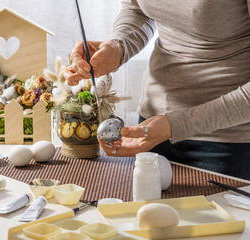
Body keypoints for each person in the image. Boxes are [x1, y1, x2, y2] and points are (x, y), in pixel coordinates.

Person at [63, 0, 250, 180]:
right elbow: (137, 10)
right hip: (151, 127)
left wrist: (175, 125)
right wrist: (119, 46)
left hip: (225, 140)